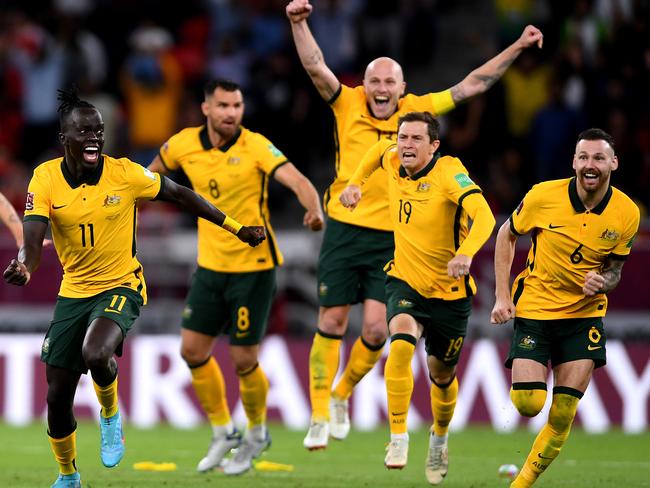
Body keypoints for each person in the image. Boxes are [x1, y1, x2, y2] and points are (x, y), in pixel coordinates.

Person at [286, 0, 543, 449]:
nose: (381, 88)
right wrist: (298, 23)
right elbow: (315, 66)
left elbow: (472, 85)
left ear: (402, 87)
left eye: (389, 81)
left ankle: (343, 392)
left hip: (395, 237)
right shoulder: (346, 103)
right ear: (363, 85)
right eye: (373, 81)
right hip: (345, 229)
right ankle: (318, 414)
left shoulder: (419, 112)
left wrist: (518, 47)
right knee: (329, 318)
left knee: (373, 332)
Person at [3, 87, 265, 488]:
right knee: (57, 397)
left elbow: (180, 194)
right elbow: (34, 243)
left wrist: (235, 227)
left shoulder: (125, 173)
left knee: (96, 352)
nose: (94, 138)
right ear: (64, 139)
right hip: (74, 291)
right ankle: (68, 475)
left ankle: (110, 415)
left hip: (121, 284)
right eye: (84, 131)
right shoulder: (46, 178)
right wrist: (24, 266)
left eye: (99, 131)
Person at [147, 78, 324, 475]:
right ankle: (224, 430)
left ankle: (257, 432)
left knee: (244, 359)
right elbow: (148, 179)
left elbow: (296, 179)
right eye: (224, 106)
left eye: (238, 105)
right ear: (206, 108)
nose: (232, 113)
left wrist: (313, 209)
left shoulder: (256, 145)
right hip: (210, 267)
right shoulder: (182, 144)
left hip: (253, 268)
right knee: (192, 351)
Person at [340, 111, 495, 484]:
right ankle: (397, 437)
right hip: (404, 282)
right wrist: (355, 183)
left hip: (449, 293)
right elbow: (377, 150)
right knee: (401, 346)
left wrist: (466, 253)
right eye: (402, 137)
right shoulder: (391, 155)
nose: (405, 145)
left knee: (441, 375)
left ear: (434, 145)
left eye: (414, 139)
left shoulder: (449, 174)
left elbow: (485, 217)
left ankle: (439, 437)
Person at [490, 128, 640, 488]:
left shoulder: (627, 213)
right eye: (584, 157)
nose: (590, 164)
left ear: (613, 164)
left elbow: (615, 271)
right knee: (528, 403)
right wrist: (501, 296)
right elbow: (506, 234)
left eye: (599, 158)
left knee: (563, 413)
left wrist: (603, 281)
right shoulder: (543, 196)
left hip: (583, 316)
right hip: (536, 309)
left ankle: (520, 484)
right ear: (574, 162)